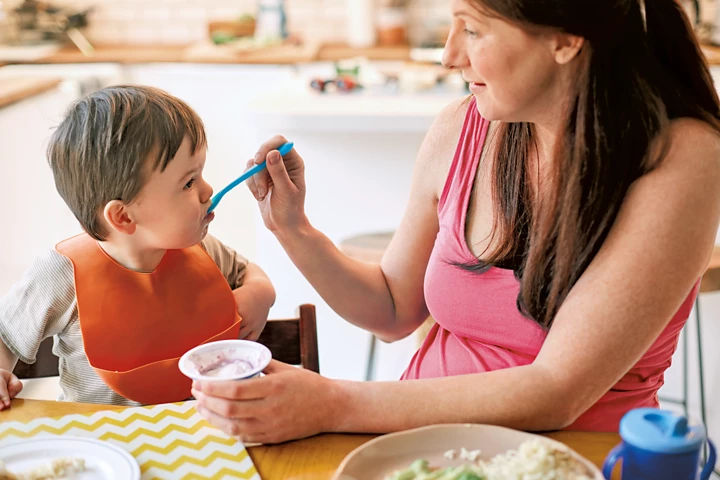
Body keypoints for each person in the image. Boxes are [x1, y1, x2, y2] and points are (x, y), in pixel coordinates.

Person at [192, 0, 720, 443]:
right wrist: (292, 227)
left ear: (565, 39)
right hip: (421, 450)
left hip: (569, 461)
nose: (448, 55)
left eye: (472, 28)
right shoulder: (464, 128)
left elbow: (557, 390)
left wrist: (331, 404)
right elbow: (394, 309)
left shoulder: (681, 160)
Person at [0, 86, 275, 408]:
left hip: (201, 429)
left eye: (200, 174)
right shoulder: (62, 274)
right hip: (100, 440)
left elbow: (246, 272)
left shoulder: (201, 250)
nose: (207, 189)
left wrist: (260, 292)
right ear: (123, 216)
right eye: (188, 183)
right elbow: (6, 335)